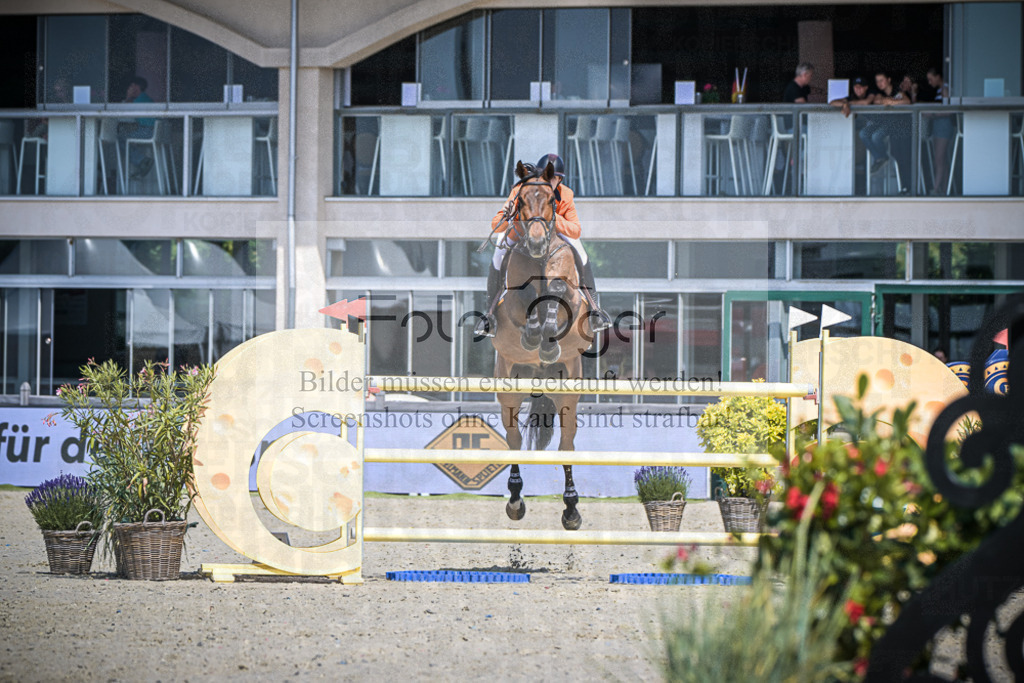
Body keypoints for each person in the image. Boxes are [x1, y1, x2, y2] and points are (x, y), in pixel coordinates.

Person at [474, 153, 612, 338]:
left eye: (554, 178)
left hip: (556, 233)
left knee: (582, 254)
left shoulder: (566, 194)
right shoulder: (520, 190)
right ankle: (489, 315)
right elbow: (495, 224)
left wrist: (553, 219)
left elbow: (576, 229)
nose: (550, 181)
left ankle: (595, 310)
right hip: (521, 232)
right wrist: (509, 215)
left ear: (560, 179)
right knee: (497, 258)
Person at [858, 71, 912, 175]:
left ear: (888, 80)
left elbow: (907, 101)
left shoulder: (897, 90)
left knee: (876, 136)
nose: (879, 83)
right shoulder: (879, 92)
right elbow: (877, 101)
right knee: (863, 133)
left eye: (881, 80)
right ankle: (880, 157)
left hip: (897, 123)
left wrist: (890, 102)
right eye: (877, 81)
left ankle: (882, 157)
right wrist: (891, 101)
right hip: (882, 122)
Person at [924, 67, 955, 195]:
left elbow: (948, 111)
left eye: (931, 79)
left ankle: (936, 189)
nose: (929, 82)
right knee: (941, 160)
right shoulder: (939, 90)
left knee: (939, 158)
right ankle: (944, 189)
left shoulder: (945, 89)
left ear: (938, 77)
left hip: (944, 126)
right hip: (938, 126)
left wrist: (932, 114)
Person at [118, 76, 156, 179]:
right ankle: (141, 161)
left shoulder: (138, 100)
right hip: (154, 131)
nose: (129, 88)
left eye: (131, 86)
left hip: (148, 131)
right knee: (126, 136)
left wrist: (128, 97)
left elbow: (121, 113)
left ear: (135, 86)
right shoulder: (146, 98)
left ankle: (142, 161)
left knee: (120, 138)